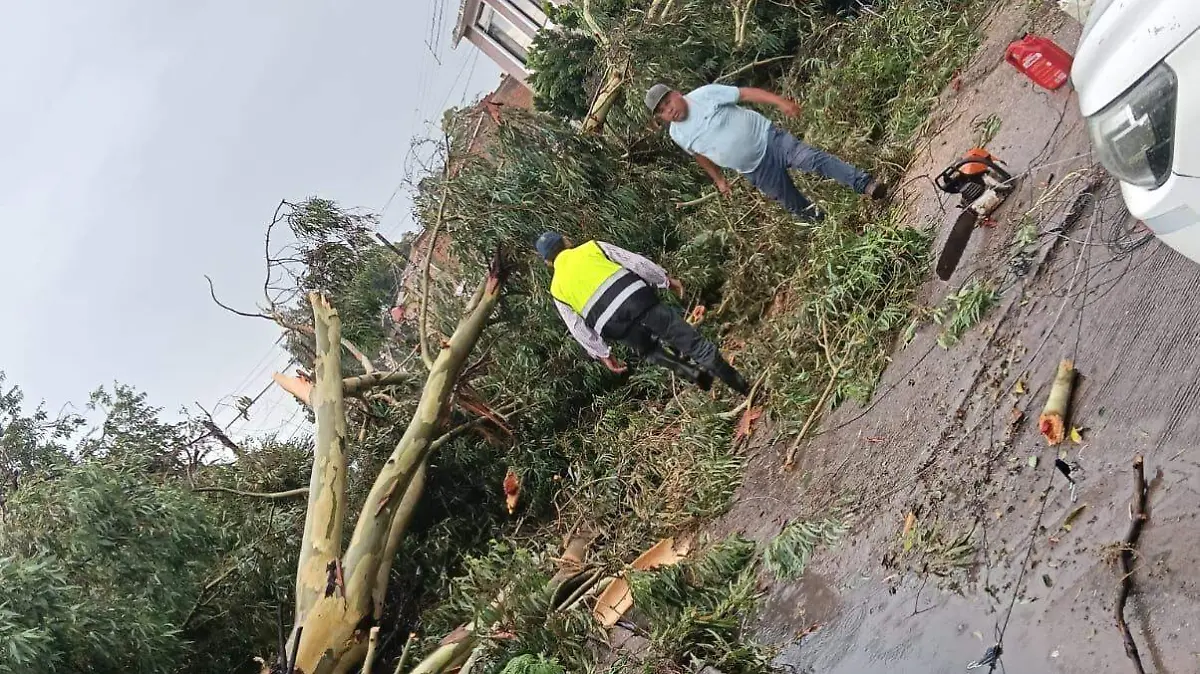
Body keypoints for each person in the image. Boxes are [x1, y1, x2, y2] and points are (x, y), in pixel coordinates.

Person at [535, 232, 749, 395]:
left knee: (650, 351)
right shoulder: (592, 247)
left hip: (615, 326)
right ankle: (741, 385)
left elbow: (577, 327)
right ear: (566, 241)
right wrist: (665, 281)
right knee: (693, 344)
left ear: (548, 262)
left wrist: (604, 354)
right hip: (638, 300)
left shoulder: (557, 289)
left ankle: (695, 375)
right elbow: (635, 262)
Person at [645, 82, 887, 221]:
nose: (670, 110)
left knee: (812, 159)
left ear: (676, 94)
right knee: (794, 204)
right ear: (661, 118)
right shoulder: (677, 135)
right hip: (756, 170)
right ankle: (830, 226)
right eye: (663, 111)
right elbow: (699, 155)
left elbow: (745, 93)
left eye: (668, 103)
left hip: (770, 139)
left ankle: (865, 184)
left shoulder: (704, 95)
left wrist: (781, 102)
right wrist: (719, 180)